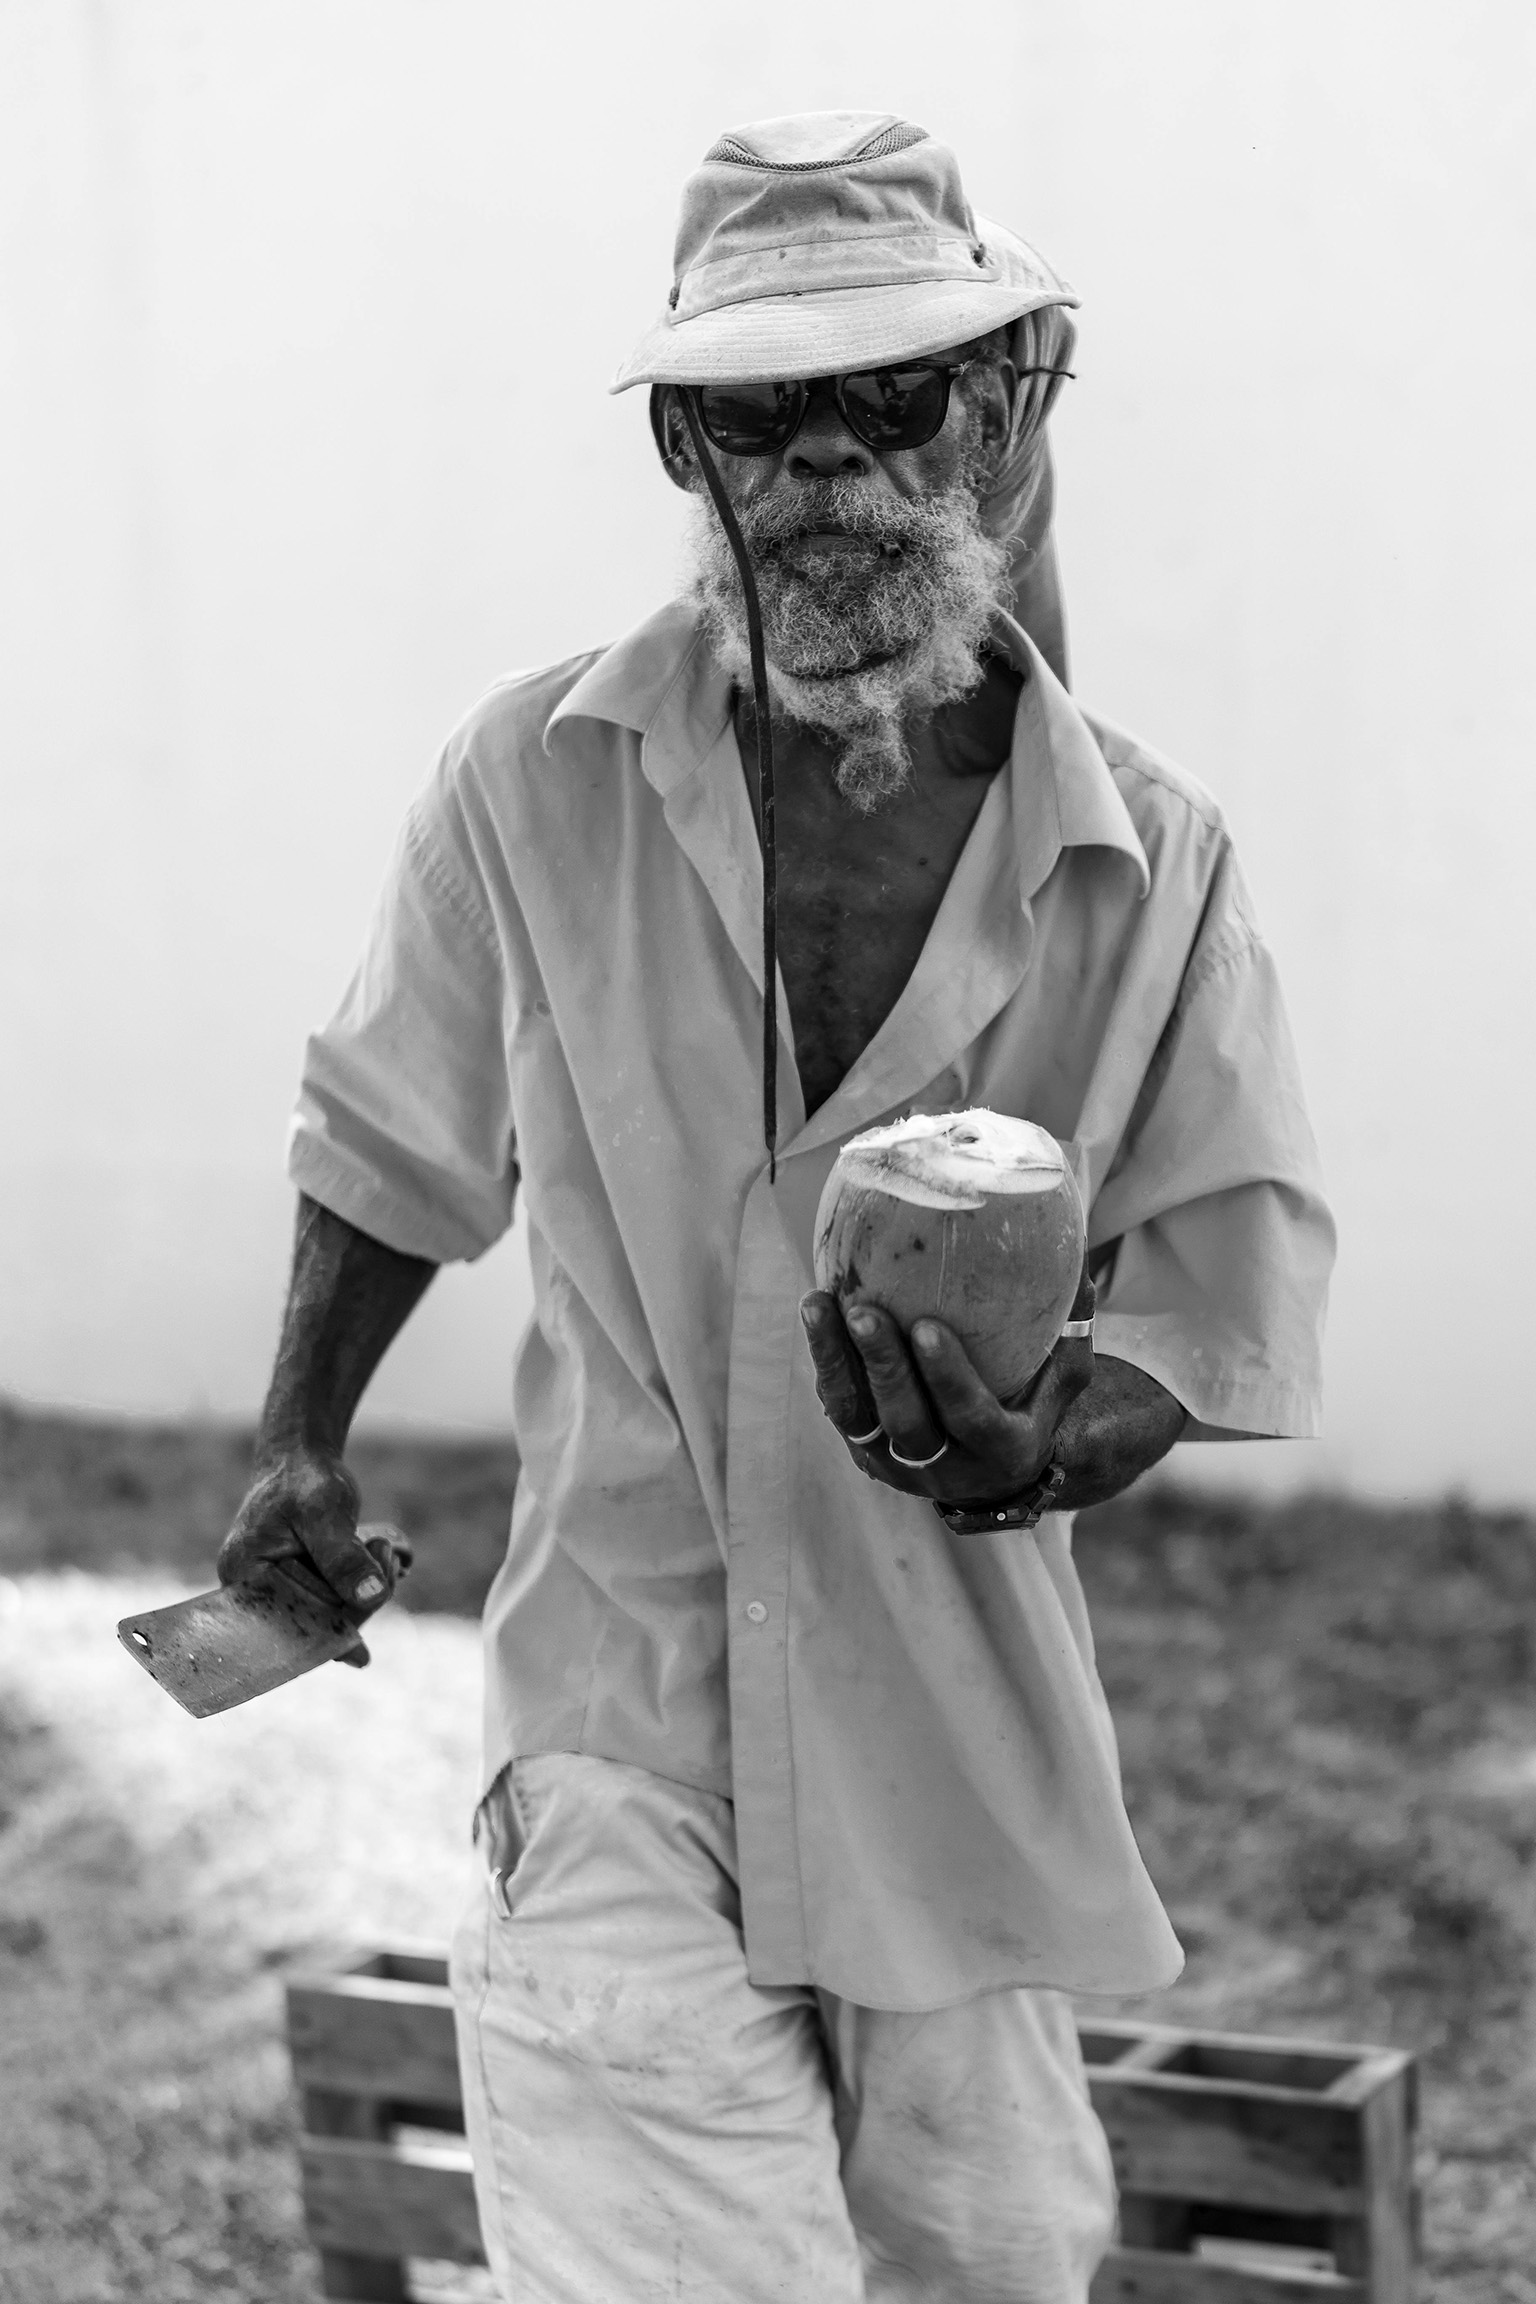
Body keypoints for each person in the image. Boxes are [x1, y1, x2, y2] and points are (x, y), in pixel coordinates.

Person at [219, 112, 1334, 2303]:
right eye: (759, 412)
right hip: (618, 1710)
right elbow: (384, 1138)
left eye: (890, 397)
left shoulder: (1158, 865)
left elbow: (1215, 1289)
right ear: (682, 456)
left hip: (963, 1756)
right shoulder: (529, 779)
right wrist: (295, 1438)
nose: (825, 462)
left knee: (985, 2266)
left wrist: (1054, 1442)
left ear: (1003, 414)